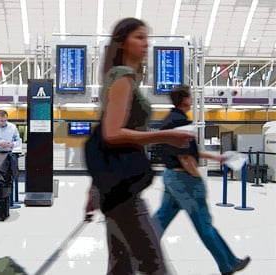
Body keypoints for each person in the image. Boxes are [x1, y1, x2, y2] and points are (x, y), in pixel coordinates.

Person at [84, 18, 195, 275]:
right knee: (154, 265)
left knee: (121, 264)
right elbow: (112, 134)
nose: (146, 43)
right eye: (139, 37)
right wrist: (164, 135)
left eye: (147, 37)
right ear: (123, 42)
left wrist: (93, 189)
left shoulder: (120, 78)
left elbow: (103, 136)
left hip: (112, 187)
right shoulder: (122, 78)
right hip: (123, 193)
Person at [153, 84, 250, 275]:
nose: (191, 100)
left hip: (171, 177)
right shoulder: (180, 121)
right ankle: (228, 264)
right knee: (204, 224)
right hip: (184, 179)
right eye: (189, 97)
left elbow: (191, 152)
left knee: (159, 221)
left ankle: (137, 255)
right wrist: (197, 178)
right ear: (184, 100)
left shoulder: (170, 120)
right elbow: (186, 157)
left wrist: (217, 158)